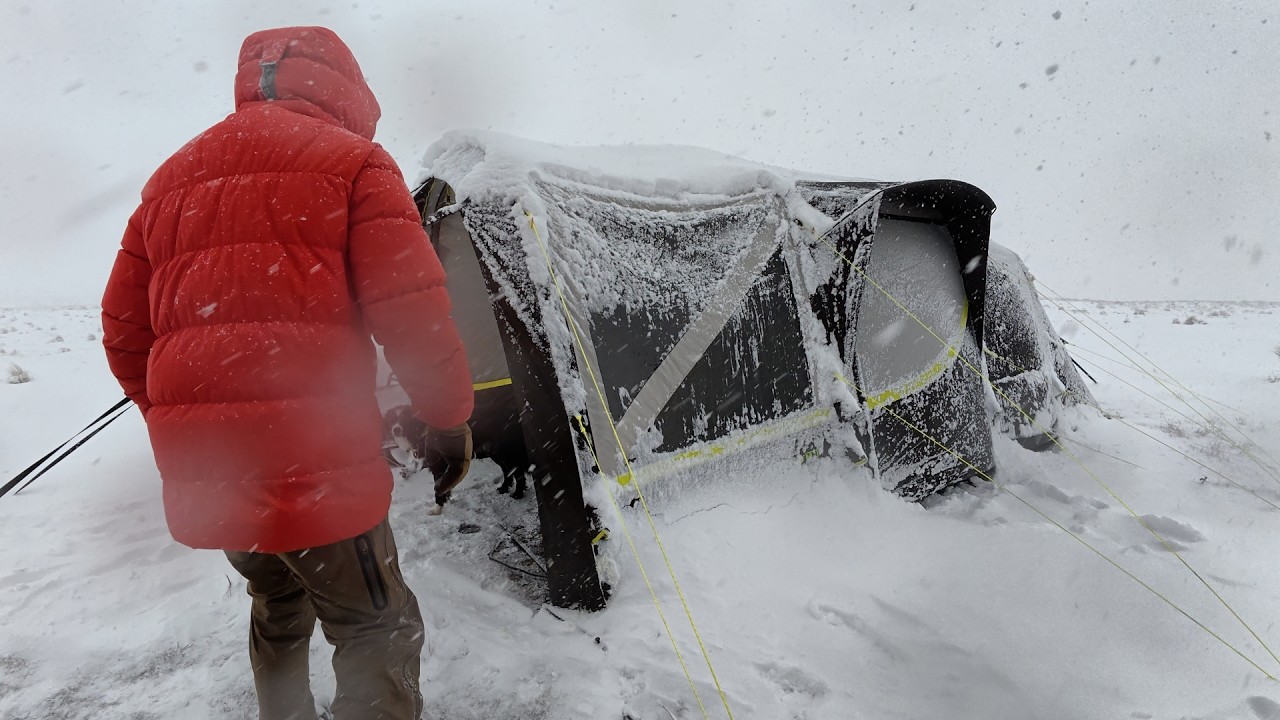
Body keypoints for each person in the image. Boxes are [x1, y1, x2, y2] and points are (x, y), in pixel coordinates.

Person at [100, 26, 474, 720]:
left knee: (276, 602)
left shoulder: (169, 180)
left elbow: (124, 333)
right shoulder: (356, 163)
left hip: (214, 475)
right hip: (318, 464)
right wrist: (448, 420)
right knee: (375, 627)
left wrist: (184, 428)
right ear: (349, 89)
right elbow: (413, 318)